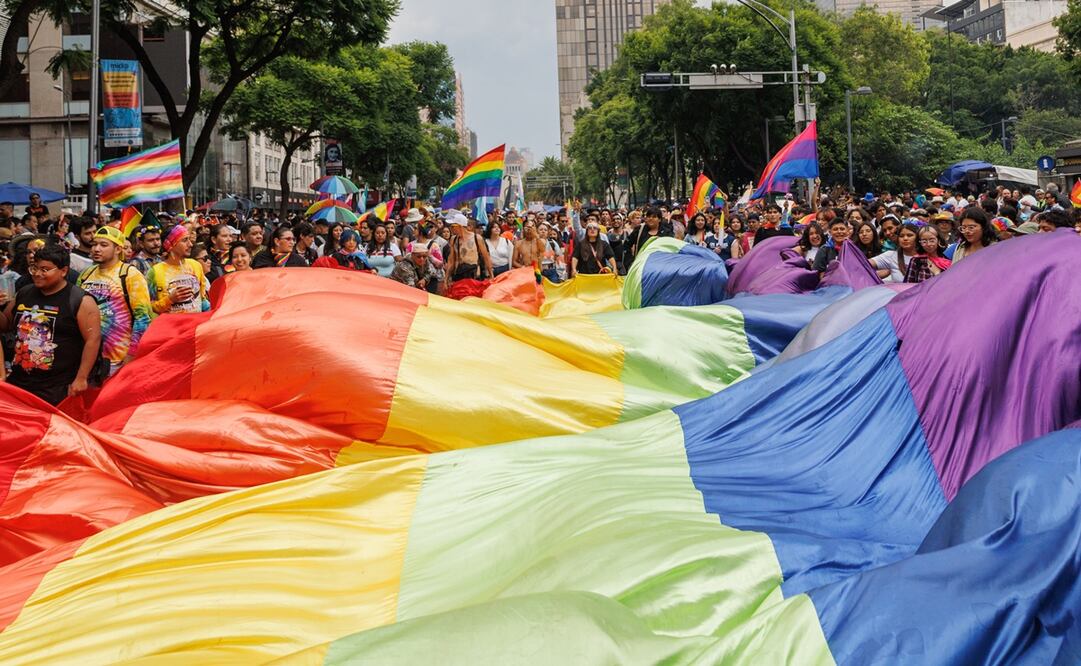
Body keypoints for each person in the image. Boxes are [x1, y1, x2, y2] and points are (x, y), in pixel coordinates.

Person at [0, 244, 101, 405]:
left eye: (45, 269)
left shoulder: (80, 300)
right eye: (35, 268)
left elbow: (93, 340)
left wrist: (81, 378)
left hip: (58, 388)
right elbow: (5, 325)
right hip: (20, 383)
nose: (38, 274)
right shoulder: (24, 293)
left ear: (63, 271)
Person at [76, 226, 153, 375]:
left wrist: (131, 356)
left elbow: (143, 318)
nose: (96, 249)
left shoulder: (130, 275)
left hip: (118, 360)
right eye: (94, 244)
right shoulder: (85, 274)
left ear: (118, 249)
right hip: (88, 358)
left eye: (103, 245)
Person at [146, 226, 209, 314]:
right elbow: (149, 307)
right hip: (171, 326)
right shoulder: (154, 272)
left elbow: (202, 299)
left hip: (196, 325)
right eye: (184, 240)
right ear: (171, 245)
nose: (190, 244)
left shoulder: (195, 265)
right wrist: (170, 299)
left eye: (189, 240)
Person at [444, 213, 492, 285]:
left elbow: (486, 258)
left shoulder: (477, 238)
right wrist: (446, 278)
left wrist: (491, 276)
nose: (451, 228)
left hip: (474, 276)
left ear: (460, 226)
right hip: (458, 276)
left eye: (453, 226)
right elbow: (451, 260)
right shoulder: (453, 240)